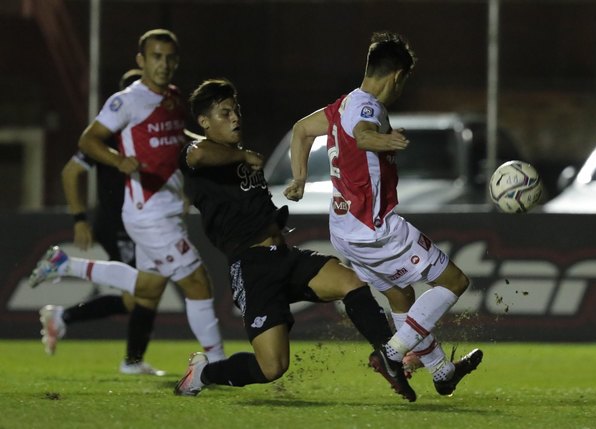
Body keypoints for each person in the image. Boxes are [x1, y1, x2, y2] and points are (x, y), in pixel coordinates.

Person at [172, 78, 415, 400]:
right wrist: (243, 157)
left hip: (283, 256)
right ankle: (204, 372)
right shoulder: (199, 157)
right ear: (204, 122)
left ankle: (389, 357)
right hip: (251, 267)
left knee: (352, 283)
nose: (235, 117)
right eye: (225, 112)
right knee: (271, 368)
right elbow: (197, 154)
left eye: (236, 110)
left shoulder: (236, 154)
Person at [283, 31, 483, 400]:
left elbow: (300, 131)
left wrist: (298, 179)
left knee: (400, 297)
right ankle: (391, 354)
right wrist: (383, 139)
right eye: (404, 82)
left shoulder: (341, 105)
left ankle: (442, 371)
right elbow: (362, 134)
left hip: (345, 229)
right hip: (375, 227)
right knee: (455, 282)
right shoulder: (368, 106)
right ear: (397, 76)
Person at [29, 29, 226, 365]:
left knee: (146, 289)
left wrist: (213, 148)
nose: (163, 64)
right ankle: (218, 364)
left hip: (165, 207)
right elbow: (87, 144)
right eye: (155, 57)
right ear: (141, 60)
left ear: (176, 61)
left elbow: (179, 139)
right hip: (145, 212)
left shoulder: (175, 98)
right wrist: (118, 161)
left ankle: (66, 265)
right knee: (197, 282)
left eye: (168, 58)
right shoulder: (126, 103)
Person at [35, 69, 167, 376]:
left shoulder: (149, 134)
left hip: (140, 221)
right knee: (143, 292)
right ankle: (130, 361)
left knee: (141, 294)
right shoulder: (106, 137)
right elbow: (70, 173)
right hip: (117, 224)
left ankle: (64, 318)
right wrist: (80, 219)